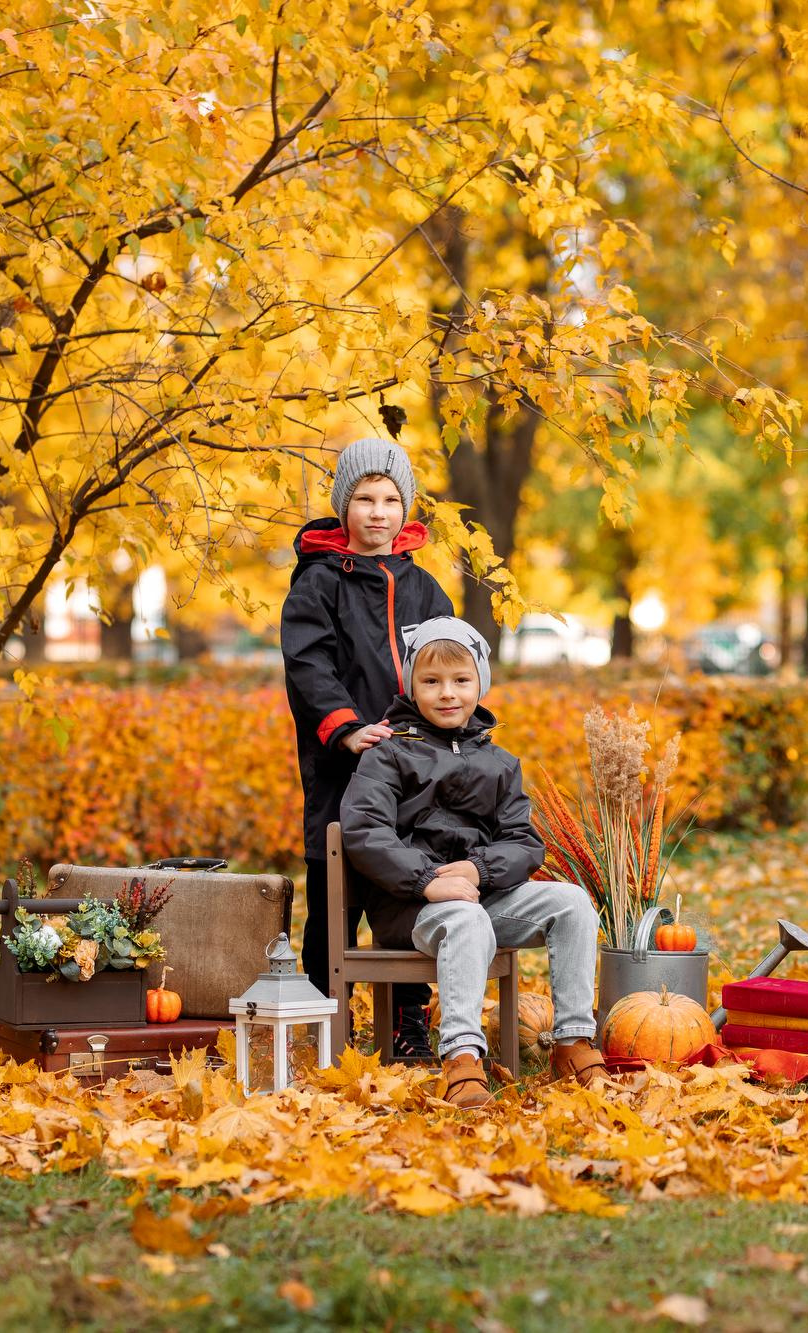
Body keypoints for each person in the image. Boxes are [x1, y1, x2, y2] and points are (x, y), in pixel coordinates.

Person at [340, 618, 606, 1107]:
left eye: (461, 681)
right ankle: (462, 1057)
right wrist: (425, 881)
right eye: (432, 682)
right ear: (411, 687)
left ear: (479, 683)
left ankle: (572, 1041)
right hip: (413, 907)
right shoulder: (388, 754)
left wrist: (478, 871)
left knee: (572, 903)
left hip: (483, 896)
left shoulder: (499, 761)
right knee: (464, 918)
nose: (447, 694)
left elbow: (523, 842)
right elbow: (364, 831)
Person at [281, 437, 454, 1057]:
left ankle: (408, 1024)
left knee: (407, 889)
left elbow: (447, 667)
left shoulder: (426, 589)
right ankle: (323, 1023)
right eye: (364, 499)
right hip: (342, 766)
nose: (377, 512)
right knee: (335, 895)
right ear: (344, 505)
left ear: (403, 507)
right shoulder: (318, 583)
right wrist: (347, 727)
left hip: (413, 769)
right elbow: (309, 665)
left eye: (389, 499)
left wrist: (439, 735)